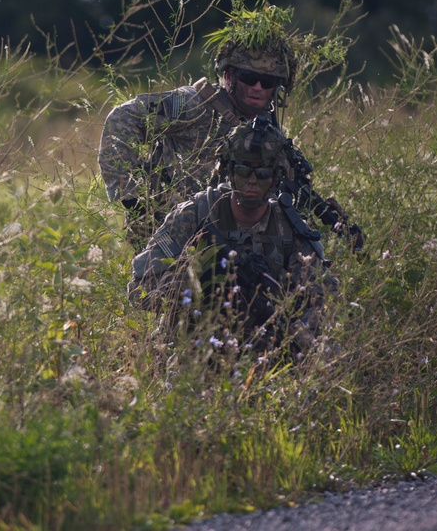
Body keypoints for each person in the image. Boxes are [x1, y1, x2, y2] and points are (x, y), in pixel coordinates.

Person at [98, 34, 363, 252]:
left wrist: (331, 226)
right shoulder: (194, 104)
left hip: (228, 246)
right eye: (249, 78)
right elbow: (122, 119)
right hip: (171, 237)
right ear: (229, 76)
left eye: (268, 81)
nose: (258, 87)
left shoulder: (267, 132)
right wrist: (135, 198)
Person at [128, 118, 337, 353]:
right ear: (229, 171)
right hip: (192, 346)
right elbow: (139, 289)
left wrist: (294, 333)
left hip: (267, 350)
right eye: (243, 169)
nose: (252, 180)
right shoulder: (196, 213)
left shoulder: (289, 228)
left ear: (276, 176)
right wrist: (199, 287)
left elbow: (321, 298)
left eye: (263, 172)